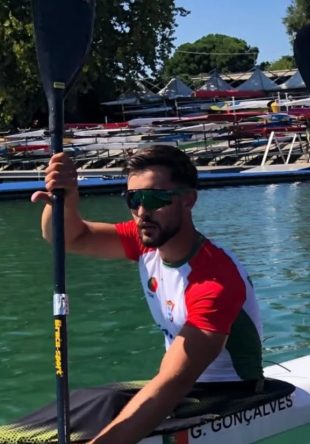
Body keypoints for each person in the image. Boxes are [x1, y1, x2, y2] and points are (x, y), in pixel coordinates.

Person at [31, 146, 264, 443]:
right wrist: (64, 200)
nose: (143, 212)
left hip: (229, 393)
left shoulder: (214, 281)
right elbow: (69, 238)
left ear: (188, 199)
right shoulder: (145, 242)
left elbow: (172, 383)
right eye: (134, 199)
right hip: (180, 385)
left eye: (155, 198)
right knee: (85, 402)